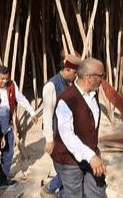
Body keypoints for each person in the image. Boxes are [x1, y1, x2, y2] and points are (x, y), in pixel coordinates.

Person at [51, 58, 107, 198]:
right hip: (69, 160)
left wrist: (92, 155)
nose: (103, 79)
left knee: (98, 192)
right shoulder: (66, 98)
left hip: (90, 156)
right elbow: (67, 135)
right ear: (88, 77)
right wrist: (90, 156)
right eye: (101, 75)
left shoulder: (94, 94)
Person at [41, 54, 81, 198]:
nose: (76, 76)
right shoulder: (51, 86)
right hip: (56, 133)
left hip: (65, 132)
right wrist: (49, 139)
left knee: (68, 166)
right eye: (75, 73)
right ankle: (49, 189)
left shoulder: (68, 84)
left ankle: (61, 194)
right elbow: (47, 113)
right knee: (65, 168)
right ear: (67, 69)